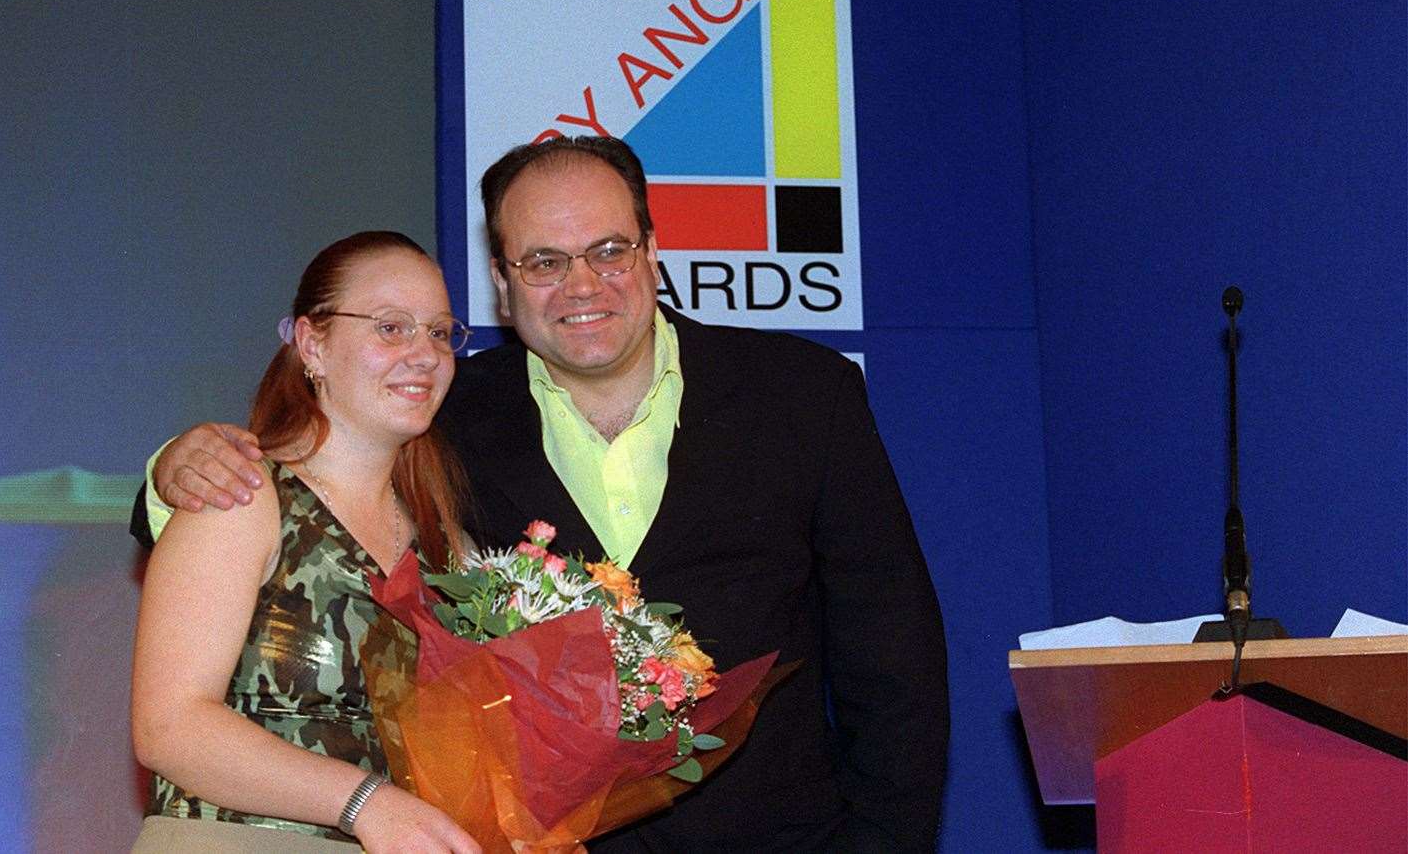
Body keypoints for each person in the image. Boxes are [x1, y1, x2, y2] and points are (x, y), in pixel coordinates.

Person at [136, 137, 950, 851]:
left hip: (782, 840)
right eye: (543, 261)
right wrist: (178, 461)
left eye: (607, 250)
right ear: (503, 278)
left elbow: (893, 652)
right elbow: (272, 500)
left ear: (651, 250)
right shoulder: (439, 416)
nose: (581, 284)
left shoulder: (802, 394)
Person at [129, 231, 482, 853]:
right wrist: (364, 804)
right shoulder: (241, 497)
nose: (424, 354)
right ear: (312, 344)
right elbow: (169, 728)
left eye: (439, 331)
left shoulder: (446, 544)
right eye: (391, 328)